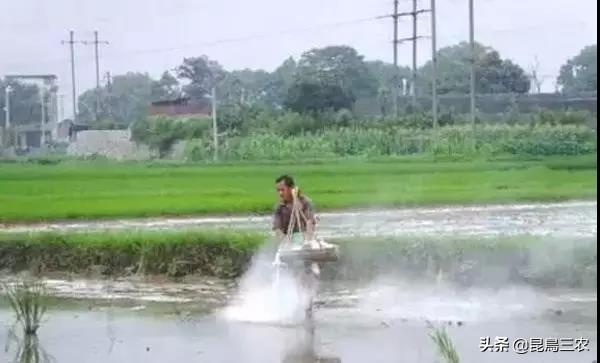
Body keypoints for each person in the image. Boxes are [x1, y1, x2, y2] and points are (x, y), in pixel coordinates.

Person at [272, 174, 319, 320]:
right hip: (290, 242)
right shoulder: (279, 208)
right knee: (293, 276)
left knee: (308, 273)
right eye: (278, 190)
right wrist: (285, 241)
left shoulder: (305, 203)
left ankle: (308, 307)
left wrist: (307, 241)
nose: (280, 193)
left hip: (304, 241)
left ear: (291, 189)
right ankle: (297, 306)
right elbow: (278, 229)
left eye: (283, 190)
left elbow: (310, 223)